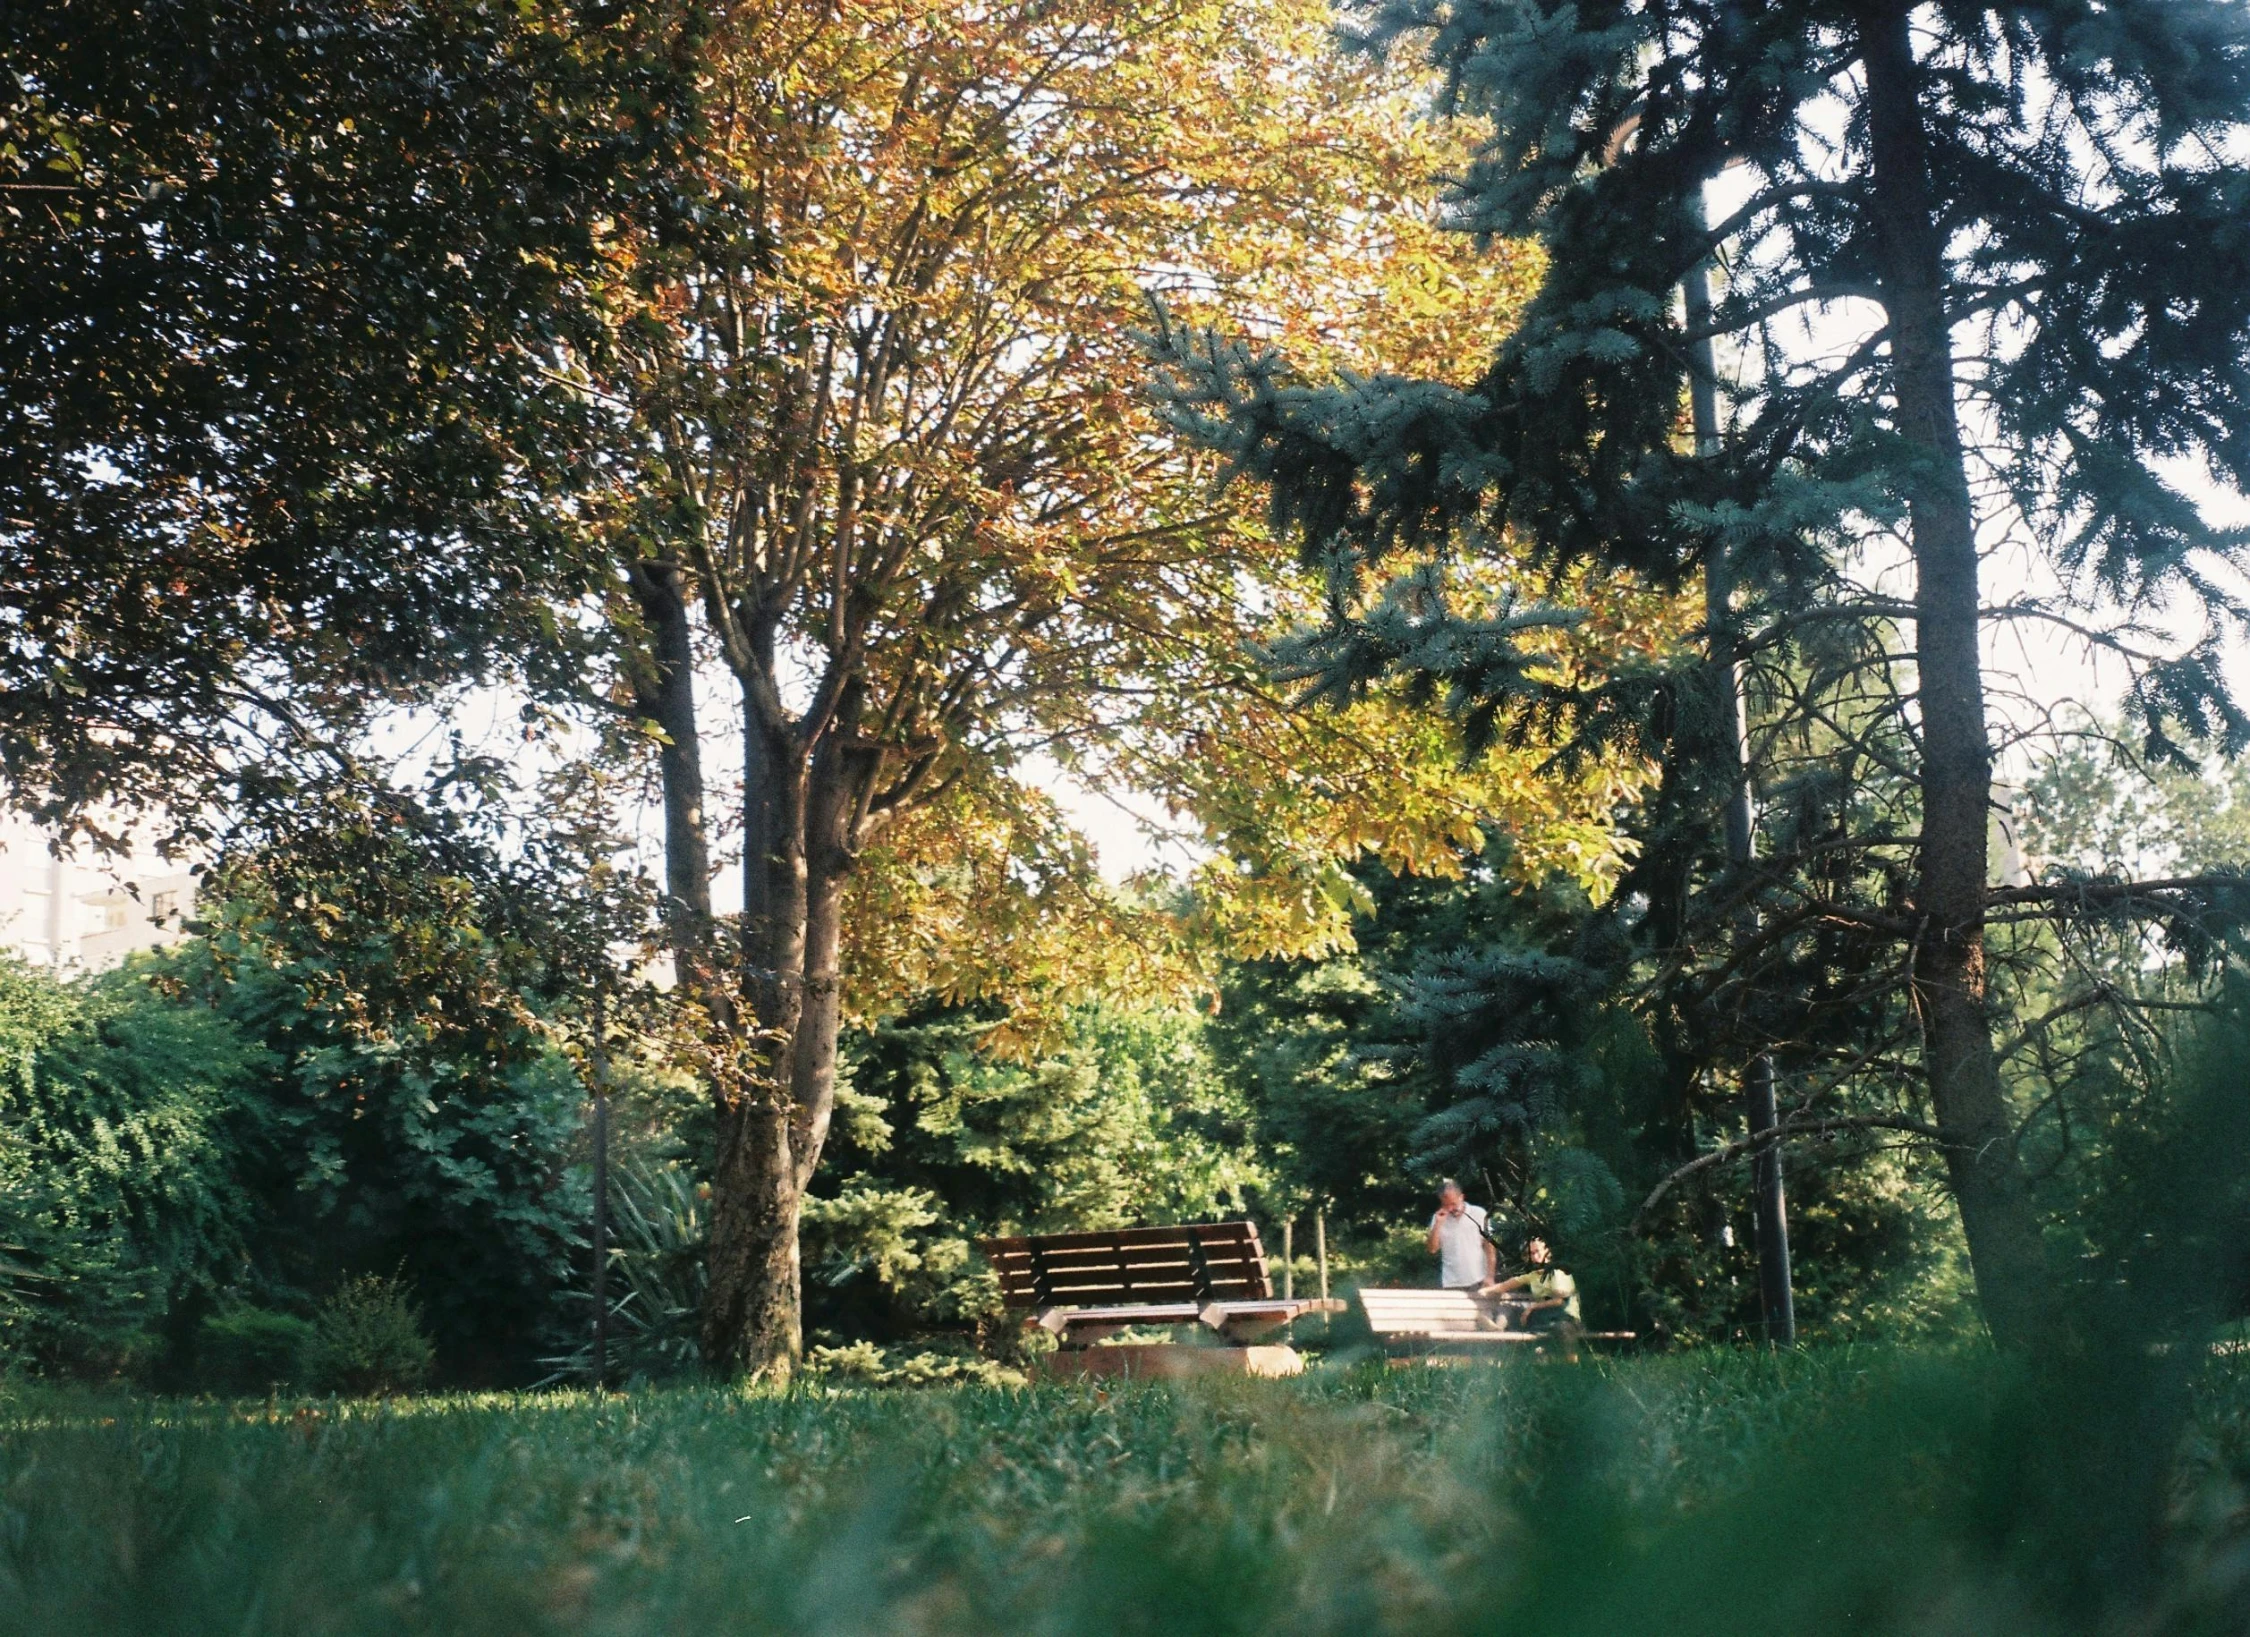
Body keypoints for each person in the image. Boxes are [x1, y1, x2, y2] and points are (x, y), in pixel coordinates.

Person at [1482, 1237, 1580, 1332]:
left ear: (1547, 1251)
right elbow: (1504, 1286)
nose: (1533, 1257)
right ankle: (1498, 1329)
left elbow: (1559, 1301)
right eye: (1529, 1254)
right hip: (1542, 1318)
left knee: (1555, 1326)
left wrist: (1532, 1307)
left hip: (1564, 1319)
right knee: (1508, 1307)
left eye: (1536, 1251)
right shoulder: (1532, 1275)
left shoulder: (1558, 1271)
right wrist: (1484, 1290)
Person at [1426, 1179, 1497, 1291]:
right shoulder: (1438, 1218)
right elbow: (1432, 1249)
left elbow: (1490, 1246)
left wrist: (1490, 1276)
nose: (1450, 1209)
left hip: (1478, 1279)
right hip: (1451, 1282)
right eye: (1446, 1205)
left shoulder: (1478, 1213)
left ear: (1461, 1197)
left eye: (1453, 1204)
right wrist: (1438, 1225)